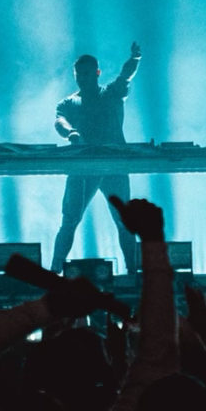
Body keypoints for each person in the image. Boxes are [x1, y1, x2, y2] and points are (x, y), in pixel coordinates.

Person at [52, 42, 142, 272]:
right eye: (78, 74)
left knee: (125, 224)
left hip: (112, 166)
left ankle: (132, 273)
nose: (82, 78)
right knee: (69, 222)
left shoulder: (111, 94)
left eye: (86, 73)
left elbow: (126, 76)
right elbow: (59, 120)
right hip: (83, 168)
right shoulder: (68, 103)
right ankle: (54, 272)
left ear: (97, 73)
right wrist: (70, 132)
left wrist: (136, 58)